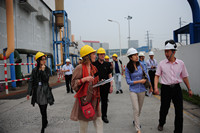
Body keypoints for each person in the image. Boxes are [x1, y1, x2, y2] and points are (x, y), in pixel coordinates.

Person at [154, 40, 193, 133]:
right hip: (165, 89)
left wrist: (189, 89)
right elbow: (157, 76)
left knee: (179, 112)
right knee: (164, 108)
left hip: (177, 89)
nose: (166, 54)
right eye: (165, 51)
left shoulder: (181, 63)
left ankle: (178, 131)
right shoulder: (162, 64)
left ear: (173, 52)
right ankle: (161, 123)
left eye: (168, 51)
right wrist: (155, 87)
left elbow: (184, 77)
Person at [70, 45, 103, 133]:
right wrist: (83, 80)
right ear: (87, 56)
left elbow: (94, 81)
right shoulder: (79, 68)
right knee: (84, 126)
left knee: (99, 121)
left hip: (94, 98)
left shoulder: (93, 68)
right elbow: (73, 84)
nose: (95, 56)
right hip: (84, 100)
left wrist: (100, 82)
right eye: (93, 54)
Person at [125, 48, 152, 133]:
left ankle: (135, 120)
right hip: (133, 90)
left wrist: (151, 87)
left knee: (139, 109)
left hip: (142, 90)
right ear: (130, 57)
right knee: (136, 109)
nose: (137, 56)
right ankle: (138, 128)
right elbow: (128, 81)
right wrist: (139, 81)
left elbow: (147, 76)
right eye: (135, 55)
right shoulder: (127, 68)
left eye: (137, 55)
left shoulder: (141, 65)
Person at [27, 51, 54, 133]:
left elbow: (46, 79)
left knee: (44, 108)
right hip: (37, 91)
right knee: (41, 109)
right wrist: (29, 93)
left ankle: (43, 128)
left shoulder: (47, 69)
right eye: (42, 59)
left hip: (45, 91)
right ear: (38, 61)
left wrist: (42, 71)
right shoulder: (34, 70)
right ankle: (45, 120)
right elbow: (31, 81)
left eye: (45, 59)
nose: (44, 61)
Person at [93, 48, 113, 123]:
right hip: (96, 86)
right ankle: (96, 115)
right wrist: (98, 81)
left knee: (104, 102)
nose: (102, 56)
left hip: (105, 86)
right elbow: (92, 76)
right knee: (96, 101)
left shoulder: (107, 64)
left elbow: (110, 75)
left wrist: (111, 86)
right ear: (98, 55)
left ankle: (104, 116)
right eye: (101, 54)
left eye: (103, 54)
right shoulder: (94, 64)